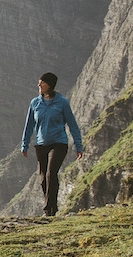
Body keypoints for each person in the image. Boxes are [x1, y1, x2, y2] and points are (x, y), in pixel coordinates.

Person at [19, 71, 84, 216]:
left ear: (50, 85)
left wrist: (79, 146)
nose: (39, 85)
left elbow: (72, 125)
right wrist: (25, 144)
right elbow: (29, 125)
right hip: (41, 144)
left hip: (59, 143)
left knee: (51, 174)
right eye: (39, 82)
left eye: (42, 82)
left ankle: (48, 210)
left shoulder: (62, 103)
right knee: (43, 178)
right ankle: (52, 207)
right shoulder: (35, 103)